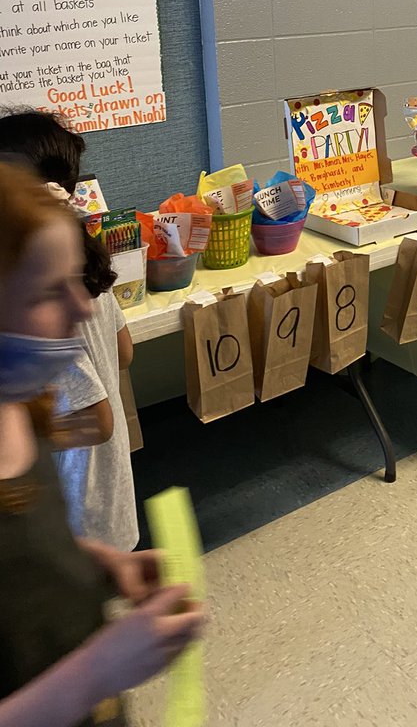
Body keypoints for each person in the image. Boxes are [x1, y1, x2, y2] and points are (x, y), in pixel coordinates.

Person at [0, 162, 203, 726]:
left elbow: (22, 548)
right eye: (48, 291)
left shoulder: (19, 408)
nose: (84, 307)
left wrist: (102, 564)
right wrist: (95, 673)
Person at [0, 110, 137, 549]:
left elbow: (97, 422)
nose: (73, 308)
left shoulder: (37, 311)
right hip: (108, 495)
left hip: (78, 512)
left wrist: (26, 436)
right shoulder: (82, 259)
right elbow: (125, 353)